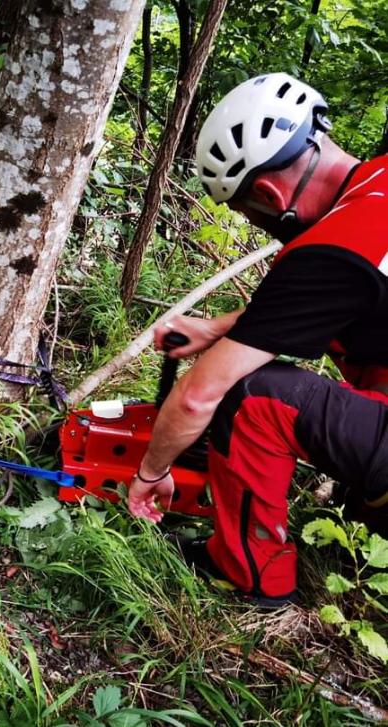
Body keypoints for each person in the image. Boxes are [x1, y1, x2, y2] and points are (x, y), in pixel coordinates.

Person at [126, 72, 388, 607]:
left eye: (247, 211)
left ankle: (250, 573)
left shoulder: (327, 251)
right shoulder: (377, 190)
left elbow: (199, 394)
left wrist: (151, 472)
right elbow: (349, 295)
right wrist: (216, 328)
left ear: (268, 193)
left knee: (253, 397)